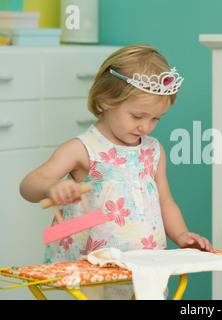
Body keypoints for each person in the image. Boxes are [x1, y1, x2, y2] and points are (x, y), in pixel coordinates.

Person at [20, 45, 212, 297]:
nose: (146, 127)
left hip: (145, 263)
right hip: (93, 265)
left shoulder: (153, 150)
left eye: (156, 118)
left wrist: (181, 234)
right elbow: (28, 184)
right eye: (137, 116)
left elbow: (165, 202)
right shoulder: (82, 149)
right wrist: (51, 187)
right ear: (105, 100)